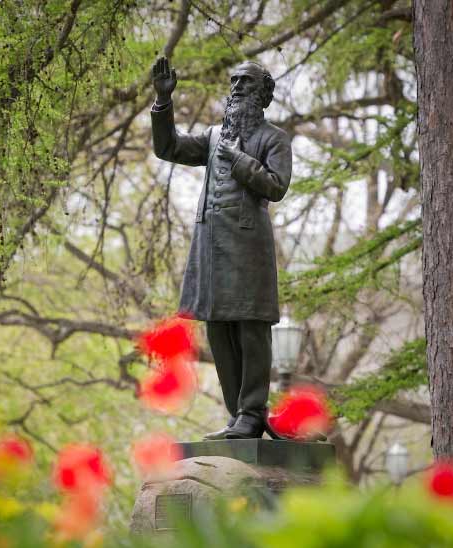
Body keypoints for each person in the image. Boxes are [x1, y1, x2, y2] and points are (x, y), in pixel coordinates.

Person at [150, 56, 292, 439]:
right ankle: (237, 417)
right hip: (211, 248)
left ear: (262, 95)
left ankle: (252, 410)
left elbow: (277, 186)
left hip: (248, 247)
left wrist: (239, 159)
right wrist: (163, 103)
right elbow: (170, 148)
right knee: (218, 329)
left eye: (244, 83)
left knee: (250, 327)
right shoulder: (213, 136)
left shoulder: (273, 138)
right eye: (233, 83)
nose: (235, 89)